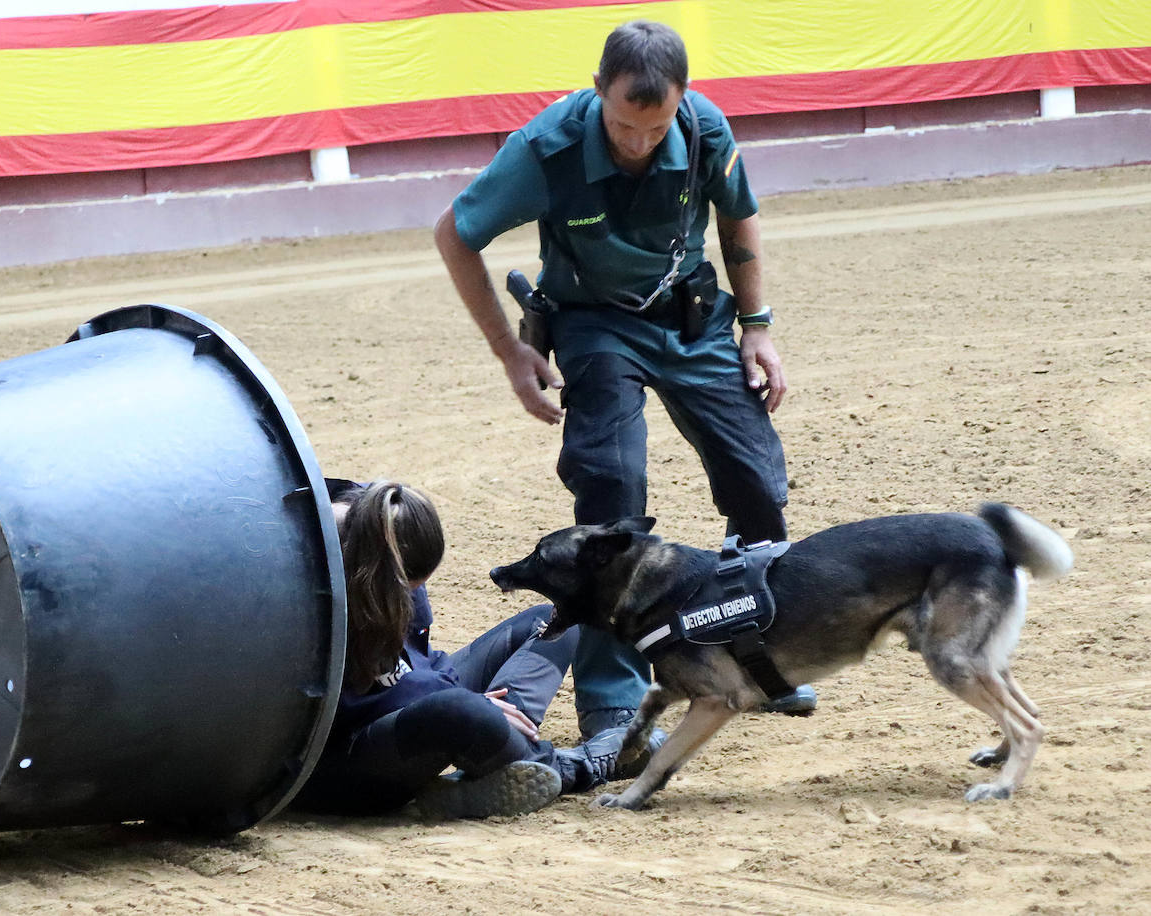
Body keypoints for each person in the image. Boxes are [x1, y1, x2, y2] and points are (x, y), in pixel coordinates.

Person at [433, 20, 816, 752]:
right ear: (598, 88)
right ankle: (613, 710)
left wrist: (757, 326)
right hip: (595, 325)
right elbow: (456, 233)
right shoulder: (545, 149)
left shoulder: (703, 130)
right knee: (610, 490)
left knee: (756, 486)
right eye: (621, 125)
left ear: (682, 102)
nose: (638, 142)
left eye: (656, 125)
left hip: (694, 318)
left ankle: (761, 665)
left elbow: (737, 215)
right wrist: (510, 352)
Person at [292, 479, 623, 820]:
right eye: (407, 585)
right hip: (348, 759)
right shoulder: (310, 592)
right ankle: (573, 767)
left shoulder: (378, 524)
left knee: (554, 622)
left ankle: (497, 755)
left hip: (411, 693)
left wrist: (470, 699)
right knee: (457, 709)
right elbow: (353, 704)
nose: (414, 594)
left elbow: (420, 657)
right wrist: (467, 702)